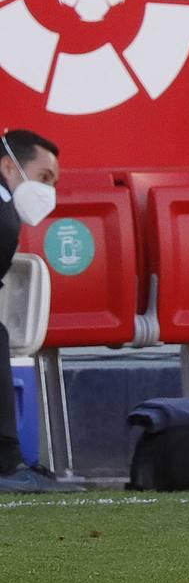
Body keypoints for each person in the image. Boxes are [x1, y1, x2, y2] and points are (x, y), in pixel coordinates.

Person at [0, 129, 78, 494]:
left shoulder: (5, 212)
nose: (48, 190)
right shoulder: (4, 217)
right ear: (9, 167)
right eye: (44, 178)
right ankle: (7, 462)